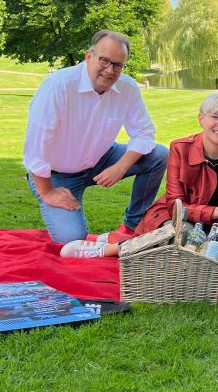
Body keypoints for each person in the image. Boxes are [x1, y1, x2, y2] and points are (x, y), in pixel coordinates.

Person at [61, 93, 218, 257]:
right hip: (176, 218)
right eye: (214, 116)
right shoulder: (180, 148)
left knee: (209, 250)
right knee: (181, 239)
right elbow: (175, 206)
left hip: (216, 227)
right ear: (201, 119)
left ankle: (114, 240)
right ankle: (106, 249)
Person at [24, 29, 169, 244]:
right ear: (88, 56)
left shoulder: (127, 87)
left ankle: (132, 226)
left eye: (118, 65)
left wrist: (120, 167)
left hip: (101, 159)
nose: (110, 71)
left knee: (159, 154)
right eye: (104, 61)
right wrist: (47, 192)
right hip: (57, 174)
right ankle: (55, 200)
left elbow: (144, 133)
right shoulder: (58, 86)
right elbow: (36, 148)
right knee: (72, 239)